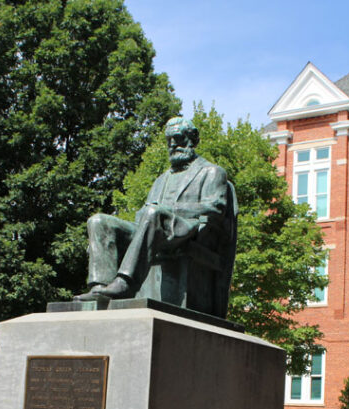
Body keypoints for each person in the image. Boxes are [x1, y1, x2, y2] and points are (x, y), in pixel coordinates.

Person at [76, 117, 233, 304]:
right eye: (169, 140)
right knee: (99, 221)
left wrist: (167, 210)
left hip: (187, 231)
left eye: (178, 138)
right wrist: (153, 212)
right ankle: (100, 287)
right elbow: (143, 213)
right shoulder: (161, 180)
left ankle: (126, 282)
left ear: (193, 140)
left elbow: (215, 208)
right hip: (153, 227)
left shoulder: (212, 172)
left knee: (153, 213)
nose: (173, 144)